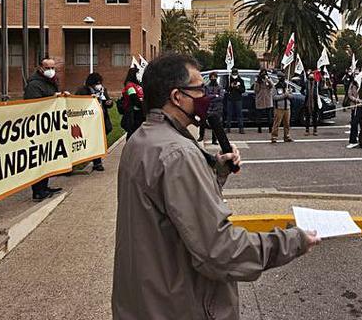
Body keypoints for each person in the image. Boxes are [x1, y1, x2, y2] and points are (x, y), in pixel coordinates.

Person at [111, 53, 319, 319]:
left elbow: (171, 207)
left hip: (145, 301)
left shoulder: (141, 140)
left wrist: (215, 171)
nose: (206, 96)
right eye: (199, 89)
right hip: (179, 306)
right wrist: (292, 241)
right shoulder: (178, 153)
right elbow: (219, 250)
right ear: (177, 97)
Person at [25, 57, 67, 200]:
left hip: (49, 127)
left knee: (47, 157)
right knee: (39, 159)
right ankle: (37, 190)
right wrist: (52, 98)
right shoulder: (34, 85)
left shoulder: (51, 82)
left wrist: (61, 97)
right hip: (38, 128)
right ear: (40, 68)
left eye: (53, 67)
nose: (51, 70)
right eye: (48, 68)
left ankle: (45, 186)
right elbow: (33, 105)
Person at [74, 72, 112, 171]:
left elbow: (108, 101)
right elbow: (77, 104)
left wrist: (109, 103)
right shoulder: (83, 90)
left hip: (101, 118)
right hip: (88, 120)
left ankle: (97, 162)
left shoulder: (103, 90)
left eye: (100, 83)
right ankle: (82, 161)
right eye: (96, 83)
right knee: (87, 140)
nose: (98, 85)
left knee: (98, 141)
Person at [198, 71, 225, 144]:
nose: (213, 78)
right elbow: (206, 96)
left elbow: (221, 97)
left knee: (216, 123)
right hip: (208, 107)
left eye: (215, 77)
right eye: (212, 77)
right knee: (203, 122)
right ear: (210, 78)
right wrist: (215, 95)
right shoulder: (206, 87)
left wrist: (213, 97)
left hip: (217, 107)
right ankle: (201, 136)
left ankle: (214, 139)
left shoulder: (219, 87)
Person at [121, 67, 145, 139]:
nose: (139, 75)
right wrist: (143, 105)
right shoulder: (129, 85)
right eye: (138, 73)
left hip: (140, 112)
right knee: (133, 132)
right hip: (133, 113)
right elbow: (133, 97)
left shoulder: (138, 84)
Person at [271, 72, 293, 143]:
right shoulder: (276, 87)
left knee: (287, 123)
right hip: (279, 108)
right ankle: (274, 137)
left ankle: (286, 136)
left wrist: (288, 94)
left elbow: (291, 96)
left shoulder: (287, 86)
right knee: (277, 123)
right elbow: (274, 97)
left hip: (287, 107)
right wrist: (284, 95)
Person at [253, 69, 274, 134]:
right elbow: (256, 90)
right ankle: (259, 129)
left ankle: (270, 128)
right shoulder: (258, 81)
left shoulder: (269, 79)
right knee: (259, 116)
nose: (263, 75)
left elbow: (272, 86)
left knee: (269, 116)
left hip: (267, 99)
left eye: (265, 73)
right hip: (260, 99)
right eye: (262, 73)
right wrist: (258, 82)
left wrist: (267, 80)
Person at [226, 68, 246, 134]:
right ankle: (228, 127)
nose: (234, 75)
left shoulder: (240, 80)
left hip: (238, 99)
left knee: (239, 114)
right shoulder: (229, 80)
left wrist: (238, 87)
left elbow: (243, 90)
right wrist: (231, 86)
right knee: (229, 114)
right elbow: (226, 89)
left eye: (235, 73)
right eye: (233, 73)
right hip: (230, 99)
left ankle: (241, 128)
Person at [303, 69, 322, 136]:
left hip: (315, 102)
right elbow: (302, 90)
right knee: (307, 117)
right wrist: (305, 94)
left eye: (312, 75)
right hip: (307, 102)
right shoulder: (306, 83)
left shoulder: (316, 83)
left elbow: (319, 90)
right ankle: (307, 130)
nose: (311, 76)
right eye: (310, 75)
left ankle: (315, 130)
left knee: (314, 117)